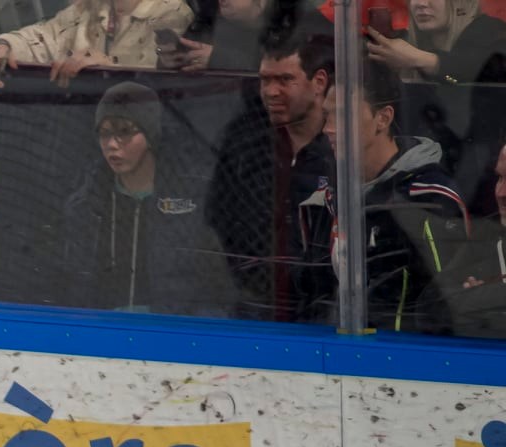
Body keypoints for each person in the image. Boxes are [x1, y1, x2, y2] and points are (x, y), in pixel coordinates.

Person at [297, 58, 471, 330]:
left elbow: (448, 303)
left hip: (408, 359)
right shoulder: (325, 198)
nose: (328, 128)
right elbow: (313, 298)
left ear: (383, 118)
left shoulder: (430, 200)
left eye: (343, 115)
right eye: (328, 114)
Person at [60, 82, 231, 314]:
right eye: (105, 133)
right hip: (100, 335)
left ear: (150, 134)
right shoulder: (85, 205)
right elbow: (73, 288)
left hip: (174, 336)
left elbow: (216, 288)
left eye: (124, 132)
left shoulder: (193, 201)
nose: (112, 145)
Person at [205, 32, 337, 319]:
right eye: (265, 80)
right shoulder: (245, 143)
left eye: (285, 80)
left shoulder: (344, 150)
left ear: (319, 83)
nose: (271, 91)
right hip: (255, 305)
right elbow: (219, 218)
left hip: (327, 312)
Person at [0, 0, 194, 84]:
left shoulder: (174, 14)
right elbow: (46, 36)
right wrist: (5, 45)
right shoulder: (91, 7)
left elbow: (158, 80)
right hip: (84, 130)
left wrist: (109, 66)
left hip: (144, 140)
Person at [446, 137, 506, 334]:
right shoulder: (486, 238)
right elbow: (431, 304)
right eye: (500, 178)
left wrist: (485, 296)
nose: (500, 193)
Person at [364, 0, 506, 81]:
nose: (421, 3)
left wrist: (421, 60)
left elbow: (483, 71)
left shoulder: (492, 31)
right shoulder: (403, 42)